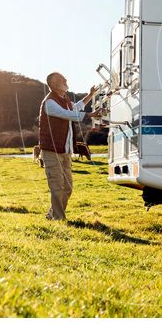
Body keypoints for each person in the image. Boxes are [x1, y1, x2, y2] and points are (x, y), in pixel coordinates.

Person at [38, 72, 102, 221]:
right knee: (57, 186)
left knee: (67, 187)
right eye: (62, 79)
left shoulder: (64, 99)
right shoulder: (49, 103)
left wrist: (90, 94)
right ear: (54, 85)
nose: (66, 80)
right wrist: (90, 115)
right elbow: (67, 114)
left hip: (65, 150)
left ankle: (52, 214)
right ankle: (59, 219)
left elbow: (75, 108)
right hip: (51, 150)